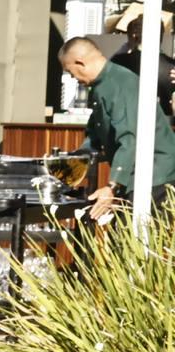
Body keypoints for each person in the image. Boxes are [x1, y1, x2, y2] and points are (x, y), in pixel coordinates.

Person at [60, 35, 175, 218]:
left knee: (136, 233)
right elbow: (95, 131)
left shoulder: (121, 83)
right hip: (135, 175)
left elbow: (129, 139)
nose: (73, 77)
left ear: (80, 62)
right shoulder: (101, 85)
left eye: (70, 71)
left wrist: (112, 187)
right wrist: (76, 158)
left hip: (156, 176)